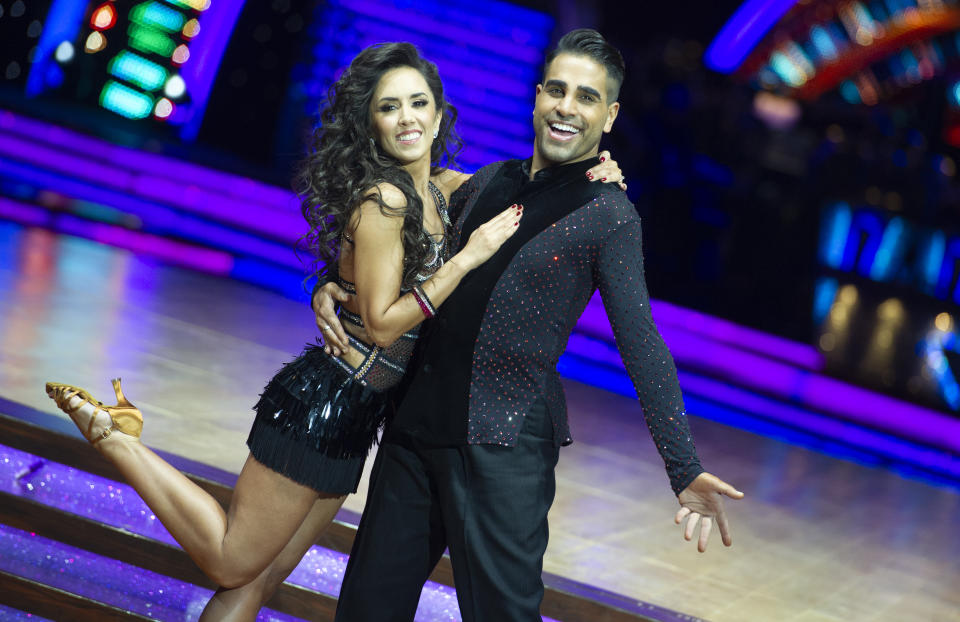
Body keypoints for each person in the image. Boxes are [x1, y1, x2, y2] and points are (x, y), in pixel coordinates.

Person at [44, 42, 624, 621]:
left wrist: (595, 173)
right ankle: (116, 435)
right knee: (230, 562)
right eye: (389, 107)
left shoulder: (446, 191)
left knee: (257, 584)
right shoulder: (383, 198)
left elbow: (525, 188)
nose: (407, 119)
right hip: (321, 405)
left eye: (418, 103)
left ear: (440, 113)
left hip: (360, 417)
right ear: (370, 123)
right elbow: (378, 325)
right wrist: (465, 260)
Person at [314, 29, 745, 622]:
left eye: (587, 98)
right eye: (559, 91)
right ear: (538, 96)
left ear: (610, 115)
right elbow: (400, 249)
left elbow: (641, 341)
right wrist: (331, 284)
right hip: (413, 433)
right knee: (365, 611)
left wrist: (683, 465)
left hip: (502, 447)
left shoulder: (609, 214)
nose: (568, 107)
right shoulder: (487, 182)